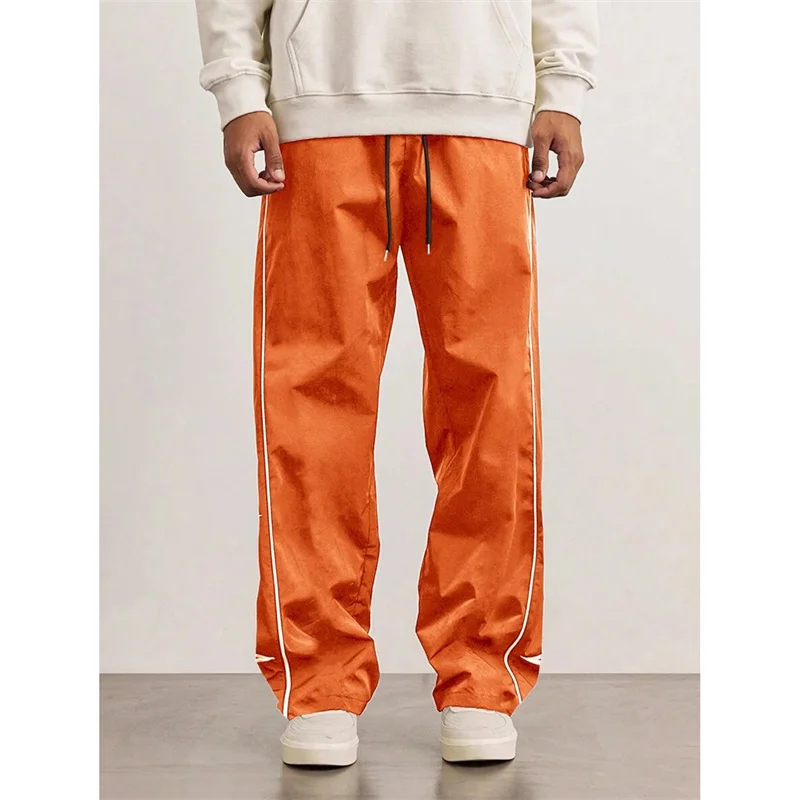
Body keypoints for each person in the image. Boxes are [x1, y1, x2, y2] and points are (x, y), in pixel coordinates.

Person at [194, 0, 597, 767]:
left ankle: (480, 677)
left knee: (493, 406)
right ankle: (320, 682)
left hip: (483, 112)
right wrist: (239, 90)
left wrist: (563, 90)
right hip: (320, 113)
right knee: (311, 407)